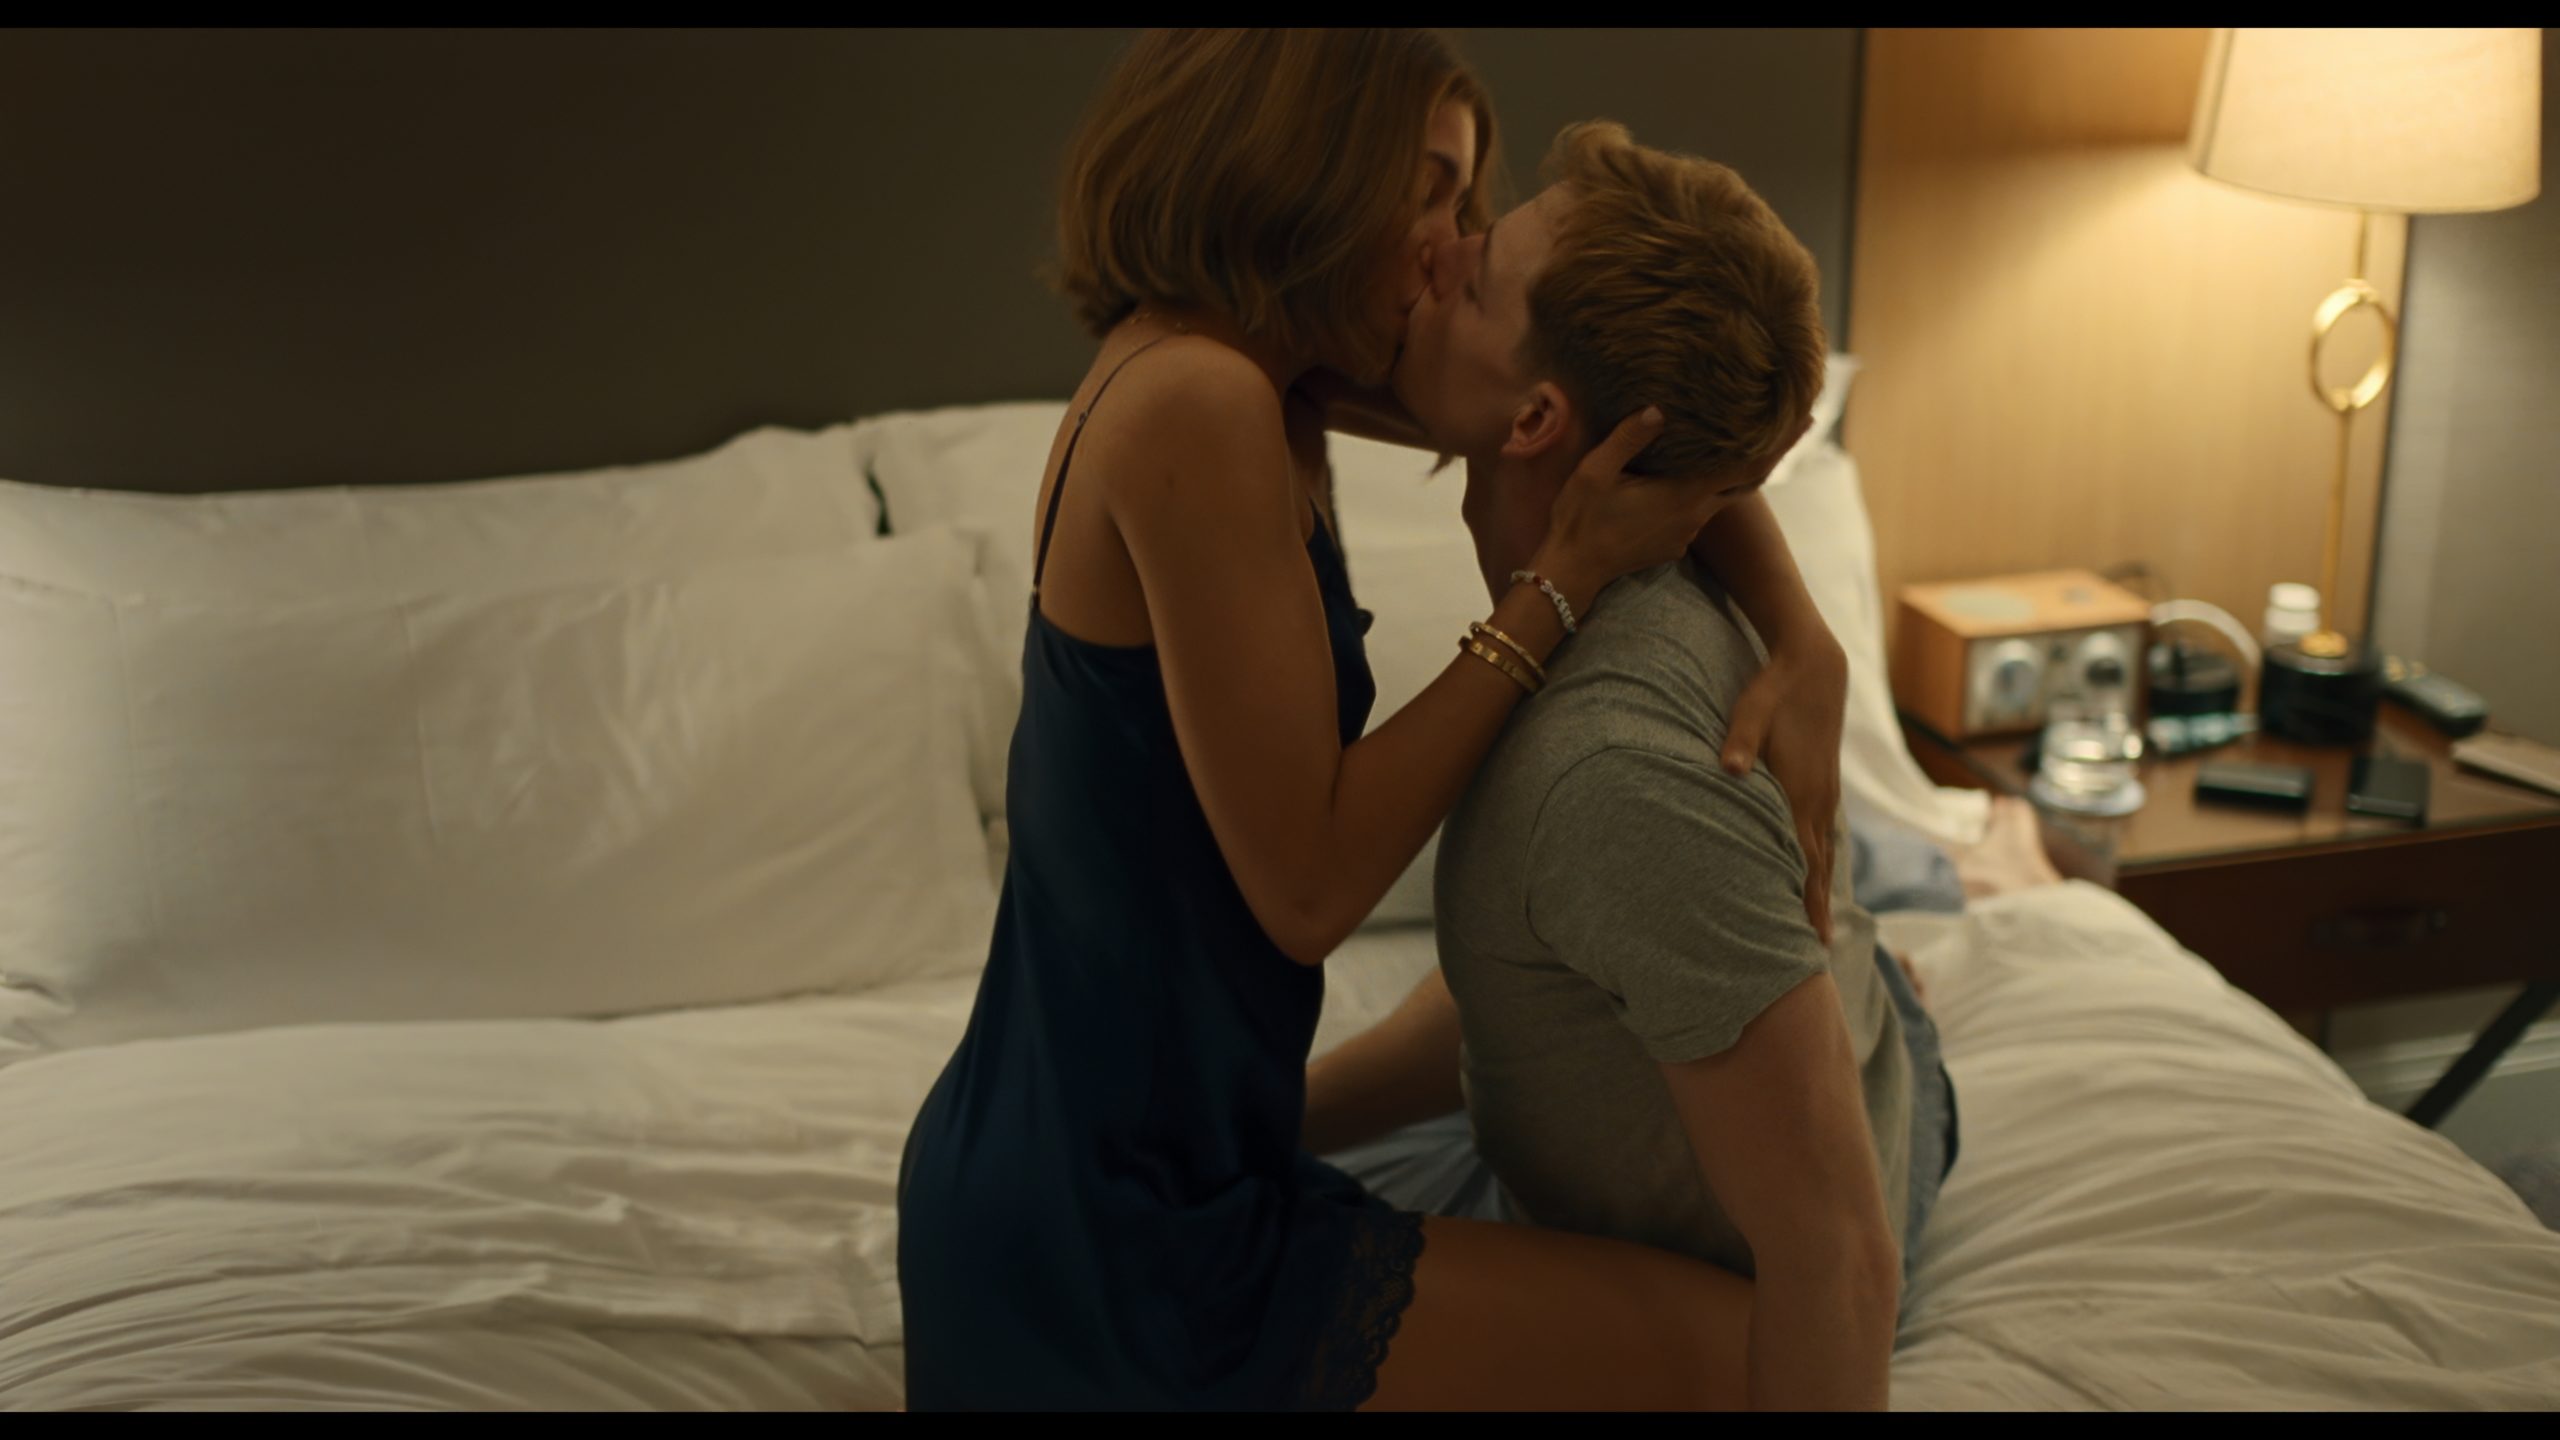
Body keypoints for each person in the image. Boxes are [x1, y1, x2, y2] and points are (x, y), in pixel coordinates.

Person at [897, 31, 1837, 1411]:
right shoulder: (1201, 404)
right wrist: (1557, 586)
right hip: (1106, 1233)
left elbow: (1622, 416)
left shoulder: (1265, 366)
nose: (1451, 243)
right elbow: (1309, 887)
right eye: (1434, 190)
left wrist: (1803, 632)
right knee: (1748, 1354)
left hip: (1156, 1165)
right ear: (1311, 170)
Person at [1304, 121, 1967, 1411]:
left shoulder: (1612, 775)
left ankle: (1865, 965)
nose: (1435, 256)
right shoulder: (1612, 597)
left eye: (1475, 273)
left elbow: (1839, 1262)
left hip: (1840, 1172)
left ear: (1538, 420)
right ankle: (1854, 955)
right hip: (1694, 987)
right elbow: (1526, 994)